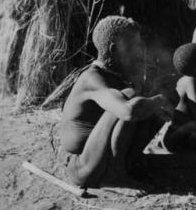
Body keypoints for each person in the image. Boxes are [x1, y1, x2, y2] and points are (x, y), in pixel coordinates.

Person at [58, 16, 174, 189]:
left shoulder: (116, 73)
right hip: (81, 168)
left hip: (97, 162)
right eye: (133, 46)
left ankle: (129, 164)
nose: (139, 51)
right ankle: (113, 177)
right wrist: (159, 101)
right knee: (131, 98)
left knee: (147, 102)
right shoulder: (93, 79)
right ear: (114, 50)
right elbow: (127, 111)